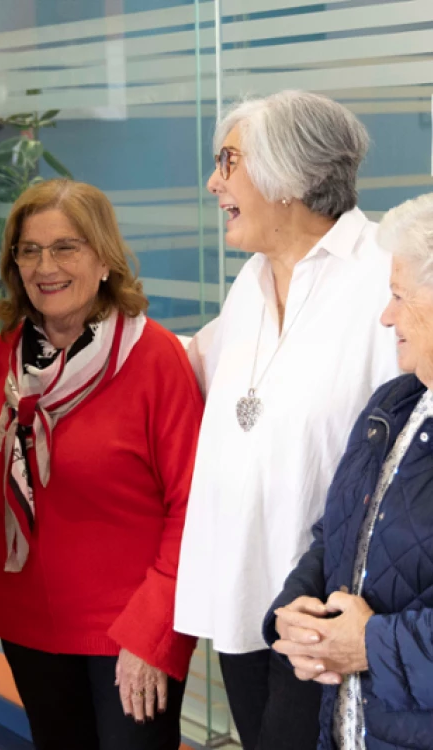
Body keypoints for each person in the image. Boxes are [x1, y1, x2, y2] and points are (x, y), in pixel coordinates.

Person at [173, 90, 399, 750]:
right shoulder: (249, 281)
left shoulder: (386, 274)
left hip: (330, 611)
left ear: (289, 172)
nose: (215, 181)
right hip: (245, 591)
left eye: (229, 161)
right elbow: (190, 365)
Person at [0, 178, 203, 750]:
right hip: (28, 621)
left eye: (65, 247)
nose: (44, 265)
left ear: (103, 258)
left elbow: (193, 507)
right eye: (29, 250)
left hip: (128, 629)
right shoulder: (6, 353)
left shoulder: (154, 358)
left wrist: (153, 633)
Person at [264, 192, 433, 749]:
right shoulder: (395, 403)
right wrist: (295, 610)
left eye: (398, 296)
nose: (386, 316)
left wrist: (367, 644)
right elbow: (337, 532)